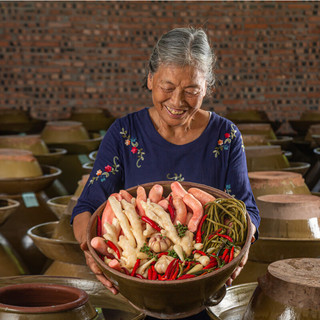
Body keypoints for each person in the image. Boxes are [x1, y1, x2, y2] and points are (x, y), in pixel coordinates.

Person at [72, 26, 260, 308]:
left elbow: (247, 210)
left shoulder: (226, 136)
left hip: (205, 285)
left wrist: (243, 245)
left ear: (206, 87)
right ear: (150, 79)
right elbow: (87, 206)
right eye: (167, 87)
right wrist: (91, 251)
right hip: (133, 290)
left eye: (191, 91)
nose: (176, 102)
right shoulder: (124, 132)